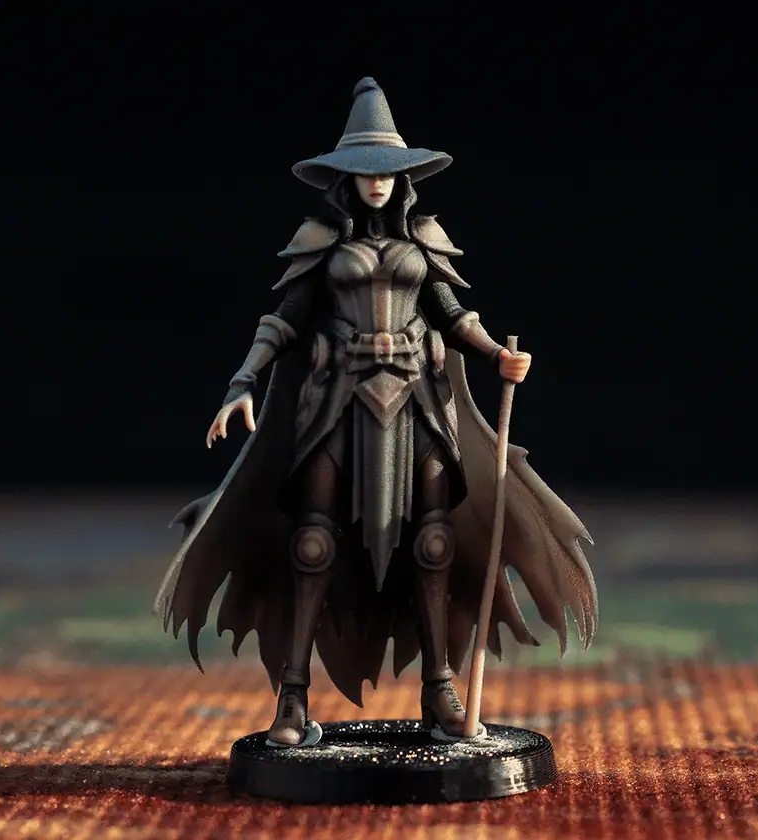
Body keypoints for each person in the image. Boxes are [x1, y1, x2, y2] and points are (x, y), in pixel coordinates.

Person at [155, 77, 597, 748]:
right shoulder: (320, 242)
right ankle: (293, 699)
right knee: (312, 542)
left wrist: (495, 356)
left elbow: (452, 315)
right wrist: (242, 382)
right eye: (366, 172)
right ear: (346, 179)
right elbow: (284, 321)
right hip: (337, 403)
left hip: (418, 402)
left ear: (403, 177)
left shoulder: (425, 240)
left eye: (388, 171)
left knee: (434, 541)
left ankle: (439, 691)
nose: (378, 182)